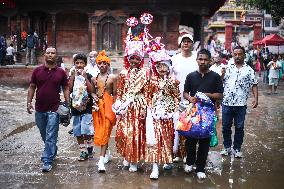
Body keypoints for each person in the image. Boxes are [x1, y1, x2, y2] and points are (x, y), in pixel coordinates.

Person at [26, 47, 69, 172]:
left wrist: (67, 102)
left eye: (53, 53)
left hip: (54, 109)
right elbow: (32, 87)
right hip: (39, 109)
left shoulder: (61, 72)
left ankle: (47, 160)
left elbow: (65, 88)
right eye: (48, 53)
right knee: (44, 134)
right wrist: (28, 102)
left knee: (51, 135)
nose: (50, 55)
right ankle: (52, 150)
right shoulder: (37, 71)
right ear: (45, 55)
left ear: (56, 56)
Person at [183, 49, 223, 179]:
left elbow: (220, 95)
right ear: (197, 60)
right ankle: (189, 162)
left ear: (210, 61)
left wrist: (208, 95)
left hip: (208, 114)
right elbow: (185, 92)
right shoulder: (191, 76)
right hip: (193, 112)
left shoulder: (215, 77)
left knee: (204, 141)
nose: (203, 61)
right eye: (200, 59)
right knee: (190, 139)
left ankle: (200, 168)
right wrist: (190, 99)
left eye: (206, 59)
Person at [145, 40, 180, 179]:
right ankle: (155, 167)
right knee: (155, 140)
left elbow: (176, 97)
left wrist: (173, 110)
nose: (162, 69)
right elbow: (148, 96)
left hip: (169, 115)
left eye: (164, 66)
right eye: (159, 66)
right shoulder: (152, 81)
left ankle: (167, 159)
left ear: (169, 67)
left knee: (167, 139)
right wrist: (151, 108)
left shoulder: (173, 81)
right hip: (155, 115)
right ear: (156, 67)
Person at [221, 46, 258, 158]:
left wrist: (256, 99)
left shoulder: (249, 70)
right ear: (232, 54)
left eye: (240, 54)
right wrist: (221, 75)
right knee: (225, 127)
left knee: (239, 127)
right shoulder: (226, 67)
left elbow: (254, 84)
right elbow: (219, 82)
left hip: (241, 104)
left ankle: (237, 149)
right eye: (235, 54)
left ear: (244, 55)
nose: (237, 56)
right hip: (227, 103)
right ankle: (227, 147)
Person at [171, 33, 198, 162]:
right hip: (176, 99)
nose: (186, 43)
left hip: (193, 99)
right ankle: (176, 153)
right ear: (180, 44)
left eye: (188, 41)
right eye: (184, 41)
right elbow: (168, 77)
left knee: (190, 128)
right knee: (176, 127)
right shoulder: (174, 59)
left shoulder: (197, 59)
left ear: (192, 44)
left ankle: (187, 154)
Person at [91, 50, 117, 172]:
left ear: (108, 65)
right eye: (100, 63)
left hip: (108, 108)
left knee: (106, 132)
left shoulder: (112, 77)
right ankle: (106, 153)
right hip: (97, 108)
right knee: (100, 132)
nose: (102, 65)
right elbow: (92, 91)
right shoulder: (93, 79)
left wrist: (117, 109)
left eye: (104, 63)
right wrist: (93, 96)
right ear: (97, 65)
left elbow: (116, 94)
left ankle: (100, 161)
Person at [68, 53, 95, 161]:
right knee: (77, 130)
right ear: (74, 64)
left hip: (87, 108)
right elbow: (69, 89)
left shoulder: (88, 76)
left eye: (81, 63)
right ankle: (83, 151)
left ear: (85, 64)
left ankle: (90, 148)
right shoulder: (72, 76)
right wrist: (73, 77)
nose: (79, 65)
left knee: (86, 130)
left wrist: (85, 78)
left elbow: (92, 91)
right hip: (75, 108)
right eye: (77, 63)